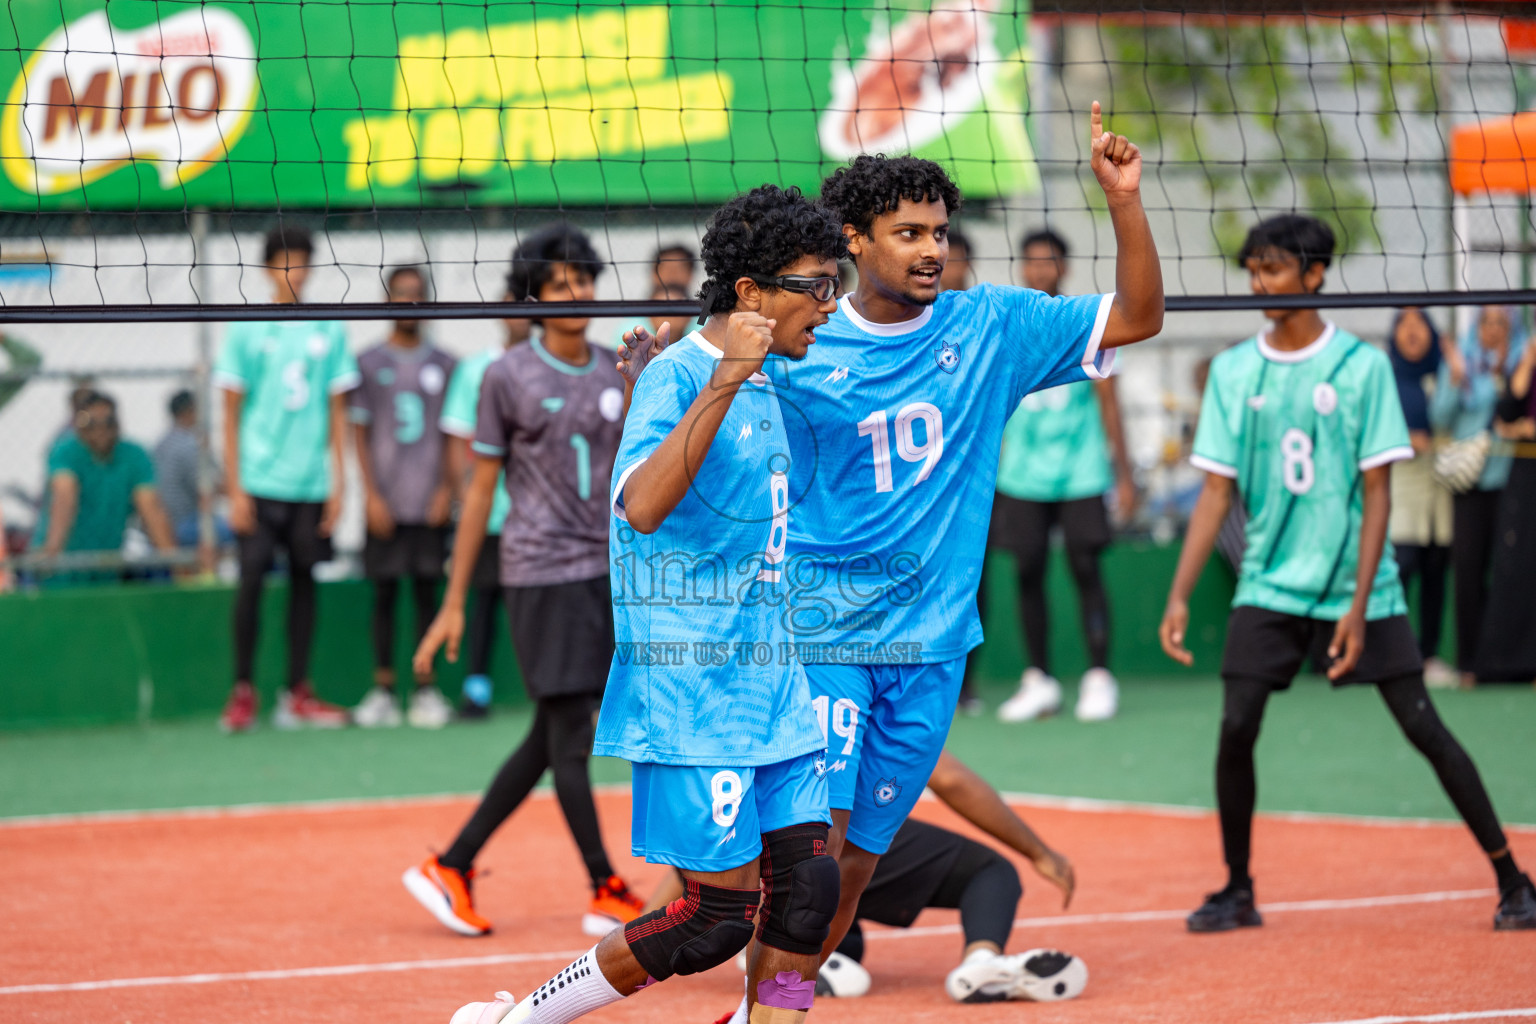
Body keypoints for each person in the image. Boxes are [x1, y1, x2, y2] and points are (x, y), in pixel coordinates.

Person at [779, 104, 1163, 984]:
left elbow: (1139, 317)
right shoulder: (804, 340)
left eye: (940, 233)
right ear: (855, 239)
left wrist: (1124, 202)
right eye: (906, 231)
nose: (929, 249)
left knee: (858, 868)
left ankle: (784, 997)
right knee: (820, 848)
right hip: (827, 635)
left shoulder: (991, 324)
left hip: (934, 646)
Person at [443, 186, 846, 1024]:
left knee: (809, 890)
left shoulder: (768, 376)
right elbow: (643, 507)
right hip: (694, 691)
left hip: (770, 681)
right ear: (750, 294)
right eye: (815, 285)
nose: (829, 303)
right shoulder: (684, 374)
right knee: (712, 922)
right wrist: (723, 378)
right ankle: (526, 1018)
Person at [1157, 213, 1535, 933]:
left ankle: (1513, 878)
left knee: (1423, 726)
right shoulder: (1236, 371)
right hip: (1268, 582)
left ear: (1315, 273)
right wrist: (1179, 592)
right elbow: (1214, 492)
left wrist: (1359, 607)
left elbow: (1379, 491)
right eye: (1253, 270)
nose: (1258, 282)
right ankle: (1238, 888)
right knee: (1236, 726)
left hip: (1357, 585)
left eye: (1272, 269)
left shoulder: (1361, 367)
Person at [406, 224, 641, 941]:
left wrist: (642, 385)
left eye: (584, 279)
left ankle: (453, 863)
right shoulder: (505, 375)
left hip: (605, 569)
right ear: (532, 296)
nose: (576, 293)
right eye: (560, 282)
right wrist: (453, 602)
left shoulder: (615, 368)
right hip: (540, 571)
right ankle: (605, 885)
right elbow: (480, 492)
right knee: (569, 732)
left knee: (554, 730)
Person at [642, 748, 1083, 1004]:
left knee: (834, 923)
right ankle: (982, 960)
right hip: (845, 837)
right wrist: (1040, 853)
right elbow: (949, 778)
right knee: (991, 870)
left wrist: (654, 923)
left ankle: (784, 948)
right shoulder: (876, 661)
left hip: (771, 858)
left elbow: (710, 835)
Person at [990, 228, 1138, 724]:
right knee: (1028, 572)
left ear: (1063, 267)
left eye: (1049, 261)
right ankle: (1040, 679)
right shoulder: (1007, 325)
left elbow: (1110, 405)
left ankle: (1098, 676)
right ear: (1021, 268)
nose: (1039, 269)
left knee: (1086, 570)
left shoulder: (1087, 325)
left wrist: (1125, 475)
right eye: (1031, 262)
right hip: (1023, 476)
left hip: (1081, 472)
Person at [215, 224, 358, 733]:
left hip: (310, 485)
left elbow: (338, 413)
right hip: (258, 482)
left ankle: (297, 691)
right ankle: (243, 691)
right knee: (250, 583)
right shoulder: (247, 328)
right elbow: (229, 413)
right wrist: (233, 488)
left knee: (305, 583)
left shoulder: (329, 328)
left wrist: (341, 487)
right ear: (268, 268)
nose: (293, 273)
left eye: (301, 263)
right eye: (284, 263)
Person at [346, 267, 458, 729]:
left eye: (417, 295)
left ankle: (426, 690)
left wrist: (447, 491)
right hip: (386, 503)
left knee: (428, 595)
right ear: (387, 300)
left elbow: (455, 435)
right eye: (401, 295)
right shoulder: (368, 363)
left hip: (428, 501)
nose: (409, 303)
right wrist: (370, 496)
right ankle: (385, 690)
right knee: (385, 596)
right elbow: (359, 433)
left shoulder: (447, 365)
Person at [439, 308, 533, 719]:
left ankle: (554, 692)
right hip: (489, 514)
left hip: (534, 517)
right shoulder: (477, 369)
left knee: (537, 606)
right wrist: (464, 497)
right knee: (483, 602)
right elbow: (458, 435)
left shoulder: (552, 367)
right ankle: (476, 687)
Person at [1431, 304, 1526, 687]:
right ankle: (1470, 662)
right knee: (1467, 570)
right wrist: (1456, 377)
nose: (1492, 329)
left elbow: (1510, 408)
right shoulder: (1461, 360)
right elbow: (1440, 416)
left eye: (1501, 322)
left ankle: (1505, 660)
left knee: (1510, 572)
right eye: (1486, 321)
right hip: (1468, 481)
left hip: (1511, 482)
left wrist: (1504, 373)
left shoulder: (1521, 360)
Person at [1384, 308, 1457, 687]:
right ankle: (1392, 655)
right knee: (1401, 567)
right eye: (1404, 324)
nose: (1412, 331)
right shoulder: (1385, 378)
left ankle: (1428, 656)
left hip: (1441, 486)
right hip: (1401, 487)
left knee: (1434, 570)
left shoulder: (1445, 375)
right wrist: (1404, 439)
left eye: (1419, 324)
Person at [31, 390, 176, 578]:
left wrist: (176, 565)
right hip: (62, 570)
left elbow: (151, 510)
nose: (100, 430)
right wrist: (51, 554)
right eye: (90, 423)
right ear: (78, 425)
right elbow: (64, 498)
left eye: (108, 422)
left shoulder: (134, 455)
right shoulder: (66, 451)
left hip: (106, 569)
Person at [1477, 337, 1536, 682]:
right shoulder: (1527, 361)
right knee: (1516, 562)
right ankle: (1508, 664)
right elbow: (1506, 412)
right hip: (1526, 477)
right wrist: (1527, 361)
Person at [153, 389, 229, 553]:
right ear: (190, 411)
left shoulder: (161, 443)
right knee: (244, 532)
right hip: (184, 524)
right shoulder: (189, 444)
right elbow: (206, 489)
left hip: (162, 523)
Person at [939, 227, 972, 292]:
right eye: (944, 263)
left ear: (968, 264)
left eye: (954, 264)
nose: (949, 270)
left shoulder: (985, 300)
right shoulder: (925, 300)